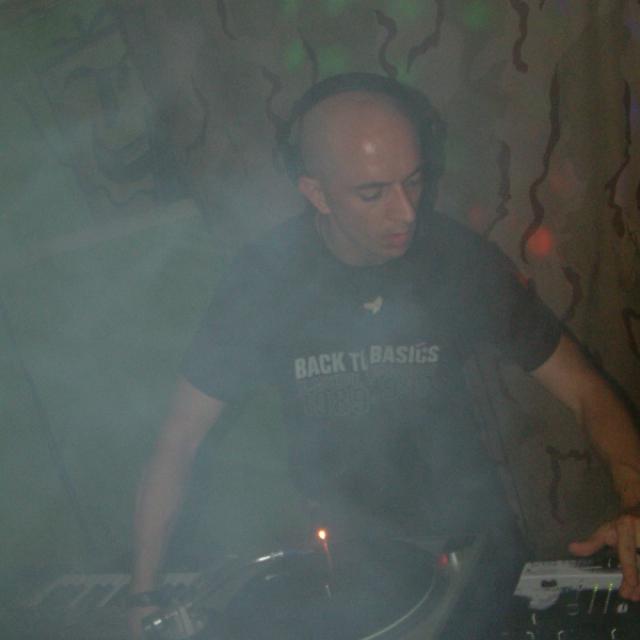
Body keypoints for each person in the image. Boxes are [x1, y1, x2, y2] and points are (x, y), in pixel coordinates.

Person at [128, 73, 640, 638]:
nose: (406, 213)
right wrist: (144, 595)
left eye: (414, 182)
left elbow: (585, 389)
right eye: (373, 194)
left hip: (471, 547)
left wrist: (635, 502)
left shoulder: (457, 262)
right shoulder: (263, 280)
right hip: (340, 562)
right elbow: (178, 439)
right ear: (316, 192)